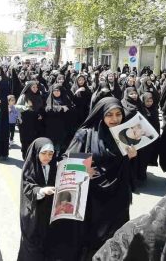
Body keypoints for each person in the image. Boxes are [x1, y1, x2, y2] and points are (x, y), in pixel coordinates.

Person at [52, 97, 136, 260]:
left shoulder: (124, 135)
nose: (114, 119)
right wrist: (83, 169)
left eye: (118, 114)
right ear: (101, 115)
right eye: (109, 115)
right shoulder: (85, 134)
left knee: (115, 239)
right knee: (90, 241)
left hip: (118, 197)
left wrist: (131, 157)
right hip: (91, 198)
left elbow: (125, 168)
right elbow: (65, 162)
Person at [18, 138, 57, 261]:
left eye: (50, 154)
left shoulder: (54, 167)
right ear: (36, 152)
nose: (47, 157)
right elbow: (28, 188)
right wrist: (41, 191)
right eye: (44, 153)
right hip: (33, 215)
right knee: (31, 248)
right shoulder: (29, 168)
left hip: (47, 216)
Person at [16, 81, 44, 159]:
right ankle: (25, 156)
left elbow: (41, 108)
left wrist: (40, 114)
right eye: (33, 87)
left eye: (36, 87)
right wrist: (26, 107)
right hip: (25, 121)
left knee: (34, 139)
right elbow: (17, 107)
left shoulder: (38, 96)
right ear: (29, 88)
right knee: (25, 139)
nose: (35, 89)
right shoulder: (24, 96)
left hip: (36, 121)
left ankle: (32, 156)